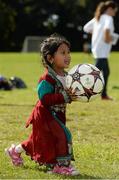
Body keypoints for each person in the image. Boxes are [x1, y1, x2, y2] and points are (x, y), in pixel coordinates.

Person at [5, 34, 80, 176]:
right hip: (45, 114)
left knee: (39, 140)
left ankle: (14, 151)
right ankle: (61, 166)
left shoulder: (67, 75)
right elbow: (44, 99)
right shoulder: (46, 78)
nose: (68, 56)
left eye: (68, 52)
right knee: (63, 135)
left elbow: (68, 93)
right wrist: (64, 96)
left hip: (58, 114)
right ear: (50, 58)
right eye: (63, 53)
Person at [83, 1, 119, 100]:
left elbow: (85, 28)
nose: (115, 13)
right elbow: (107, 30)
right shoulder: (108, 18)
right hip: (102, 49)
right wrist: (108, 39)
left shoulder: (97, 18)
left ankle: (103, 95)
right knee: (96, 73)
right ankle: (85, 89)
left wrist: (96, 33)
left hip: (98, 49)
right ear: (110, 9)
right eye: (114, 11)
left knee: (105, 72)